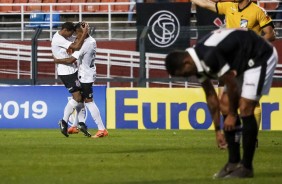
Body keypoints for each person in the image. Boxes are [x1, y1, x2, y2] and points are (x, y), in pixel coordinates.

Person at [165, 28, 278, 178]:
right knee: (224, 103)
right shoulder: (196, 61)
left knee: (245, 107)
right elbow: (211, 95)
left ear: (186, 62)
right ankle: (232, 163)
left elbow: (232, 85)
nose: (188, 76)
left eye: (185, 74)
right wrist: (217, 130)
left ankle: (246, 167)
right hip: (242, 62)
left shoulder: (208, 56)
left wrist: (232, 114)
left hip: (260, 55)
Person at [191, 0, 276, 148]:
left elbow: (271, 34)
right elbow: (206, 4)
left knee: (250, 102)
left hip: (248, 61)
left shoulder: (258, 11)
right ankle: (232, 136)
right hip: (229, 61)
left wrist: (253, 44)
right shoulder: (228, 6)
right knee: (224, 101)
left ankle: (251, 137)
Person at [54, 22, 108, 138]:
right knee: (80, 100)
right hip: (87, 73)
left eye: (77, 33)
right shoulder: (92, 41)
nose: (76, 36)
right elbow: (76, 45)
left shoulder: (85, 44)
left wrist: (57, 60)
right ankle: (74, 126)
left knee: (88, 101)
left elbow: (71, 60)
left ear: (81, 32)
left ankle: (101, 129)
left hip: (86, 76)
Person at [51, 22, 89, 137]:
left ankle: (81, 123)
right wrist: (85, 33)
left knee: (81, 97)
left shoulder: (60, 36)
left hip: (72, 70)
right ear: (65, 30)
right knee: (77, 97)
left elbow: (74, 43)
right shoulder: (59, 39)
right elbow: (76, 47)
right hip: (66, 72)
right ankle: (63, 121)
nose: (70, 36)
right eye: (70, 34)